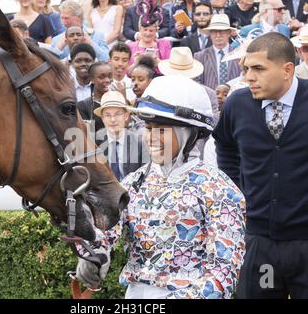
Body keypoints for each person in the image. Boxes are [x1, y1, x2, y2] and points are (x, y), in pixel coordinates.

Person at [75, 75, 246, 299]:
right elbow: (107, 229)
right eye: (148, 127)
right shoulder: (134, 182)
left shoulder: (220, 189)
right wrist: (94, 253)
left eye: (162, 130)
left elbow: (223, 271)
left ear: (189, 133)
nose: (151, 138)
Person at [213, 32, 308, 298]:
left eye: (258, 69)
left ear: (287, 69)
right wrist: (239, 191)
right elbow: (225, 145)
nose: (248, 77)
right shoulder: (237, 104)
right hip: (261, 244)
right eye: (246, 68)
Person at [94, 90, 149, 180]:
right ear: (102, 118)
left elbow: (145, 174)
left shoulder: (138, 142)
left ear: (126, 116)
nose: (112, 119)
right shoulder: (95, 142)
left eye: (117, 114)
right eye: (107, 115)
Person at [194, 14, 242, 89]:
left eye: (222, 31)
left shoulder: (239, 54)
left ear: (229, 33)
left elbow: (244, 79)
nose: (218, 35)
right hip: (210, 99)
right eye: (214, 31)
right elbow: (197, 82)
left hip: (235, 98)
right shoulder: (200, 56)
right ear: (210, 34)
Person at [77, 61, 113, 133]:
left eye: (110, 76)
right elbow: (89, 134)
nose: (107, 80)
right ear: (91, 79)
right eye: (101, 77)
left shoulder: (120, 101)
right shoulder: (83, 106)